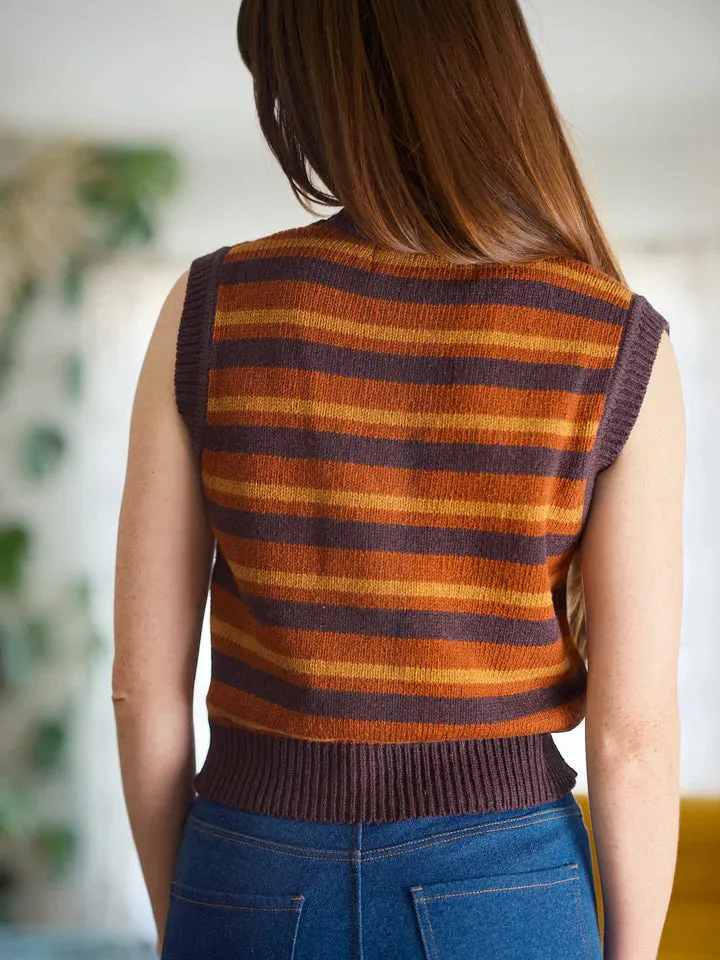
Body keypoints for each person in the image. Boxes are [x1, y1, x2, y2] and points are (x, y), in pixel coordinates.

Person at [112, 2, 685, 958]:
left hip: (248, 865)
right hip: (508, 882)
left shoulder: (212, 309)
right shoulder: (614, 340)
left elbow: (141, 690)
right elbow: (634, 736)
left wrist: (199, 916)